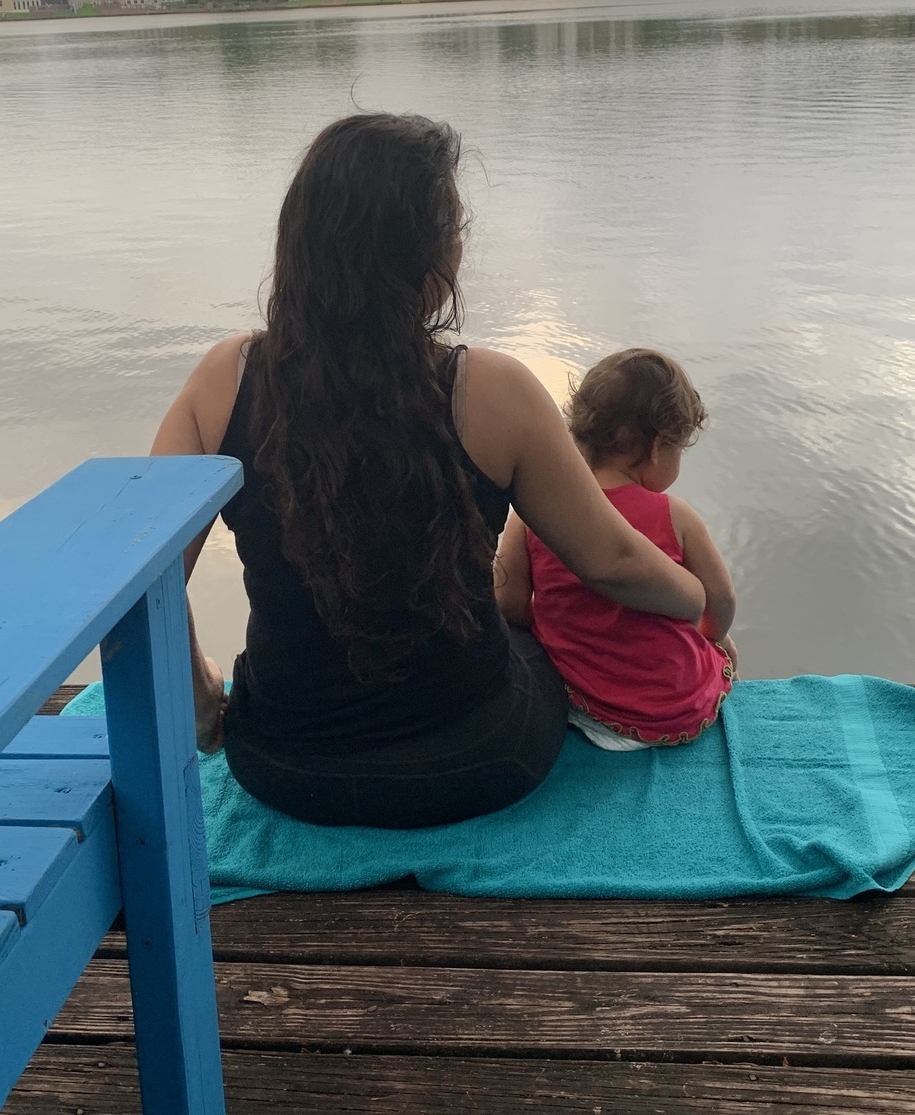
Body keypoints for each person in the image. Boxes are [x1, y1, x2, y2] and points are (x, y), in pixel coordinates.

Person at [150, 114, 705, 828]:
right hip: (479, 763)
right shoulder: (495, 392)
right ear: (428, 257)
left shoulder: (223, 381)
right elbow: (614, 562)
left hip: (286, 768)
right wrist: (695, 599)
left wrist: (201, 702)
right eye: (456, 228)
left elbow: (142, 569)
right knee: (533, 642)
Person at [495, 348, 737, 752]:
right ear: (658, 447)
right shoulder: (677, 517)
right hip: (672, 711)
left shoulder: (536, 510)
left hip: (579, 703)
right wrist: (712, 639)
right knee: (720, 653)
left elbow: (508, 603)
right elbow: (722, 600)